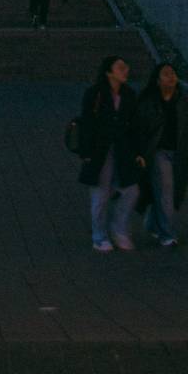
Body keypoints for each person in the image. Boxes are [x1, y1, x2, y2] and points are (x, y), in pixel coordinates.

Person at [135, 62, 188, 246]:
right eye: (166, 74)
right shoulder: (148, 102)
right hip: (158, 153)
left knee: (171, 192)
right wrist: (139, 153)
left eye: (173, 74)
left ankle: (152, 223)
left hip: (180, 152)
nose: (171, 77)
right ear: (157, 80)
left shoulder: (184, 101)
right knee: (166, 191)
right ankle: (167, 234)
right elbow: (139, 130)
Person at [77, 55, 142, 251]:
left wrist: (137, 151)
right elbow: (86, 123)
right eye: (120, 67)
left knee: (132, 190)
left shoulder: (129, 94)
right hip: (100, 150)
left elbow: (135, 125)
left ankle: (119, 229)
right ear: (108, 72)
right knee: (100, 194)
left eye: (126, 66)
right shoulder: (95, 94)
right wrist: (85, 151)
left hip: (122, 149)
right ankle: (99, 236)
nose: (126, 70)